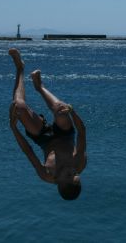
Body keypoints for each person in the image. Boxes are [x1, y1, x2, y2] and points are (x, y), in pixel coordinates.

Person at [8, 48, 87, 200]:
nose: (73, 170)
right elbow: (82, 131)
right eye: (76, 173)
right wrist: (71, 111)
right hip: (65, 134)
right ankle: (40, 87)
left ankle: (20, 68)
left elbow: (28, 151)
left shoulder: (46, 174)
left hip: (43, 138)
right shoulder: (79, 163)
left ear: (59, 182)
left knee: (18, 106)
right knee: (60, 110)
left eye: (70, 174)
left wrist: (14, 128)